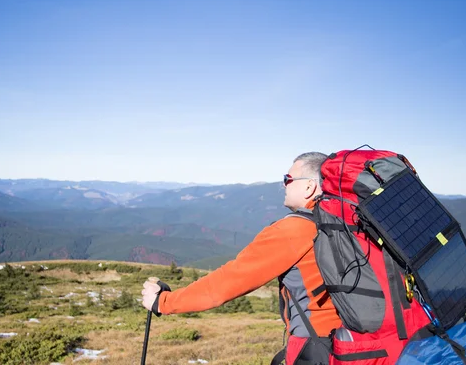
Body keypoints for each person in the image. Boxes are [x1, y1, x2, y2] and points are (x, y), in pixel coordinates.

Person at [141, 152, 342, 365]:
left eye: (288, 179)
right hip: (358, 342)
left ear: (309, 187)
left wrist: (163, 302)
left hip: (318, 347)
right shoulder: (349, 224)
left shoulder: (294, 229)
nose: (284, 185)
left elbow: (228, 282)